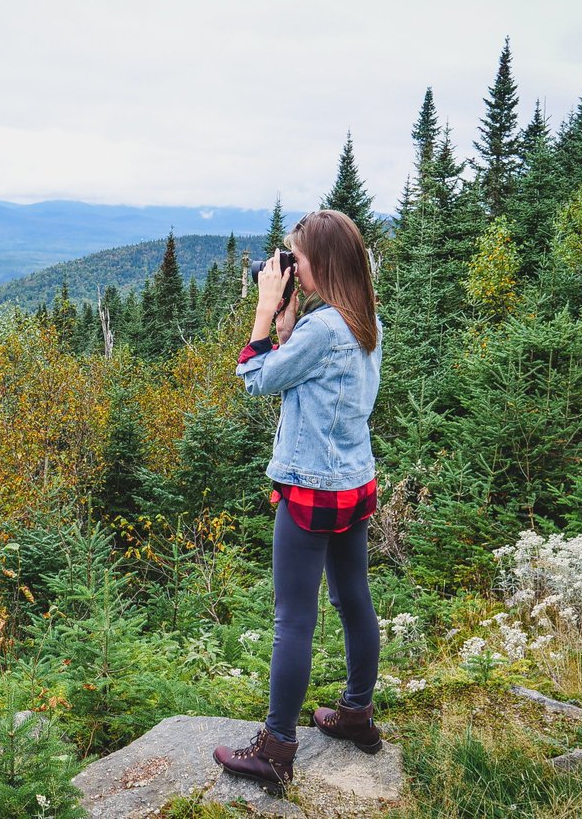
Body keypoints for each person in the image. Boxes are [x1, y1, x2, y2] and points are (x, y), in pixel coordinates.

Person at [213, 209, 383, 791]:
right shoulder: (362, 320)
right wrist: (289, 325)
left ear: (323, 263)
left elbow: (259, 379)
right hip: (354, 485)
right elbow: (308, 375)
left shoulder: (322, 329)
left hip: (311, 491)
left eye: (295, 258)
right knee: (353, 599)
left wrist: (263, 314)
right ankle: (357, 713)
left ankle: (276, 748)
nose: (287, 266)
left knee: (293, 620)